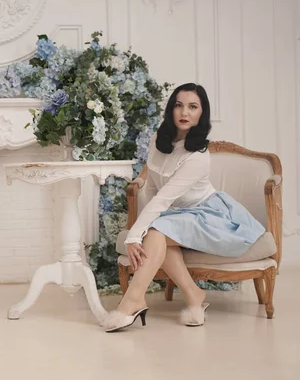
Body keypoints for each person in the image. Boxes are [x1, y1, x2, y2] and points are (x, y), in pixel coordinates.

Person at [105, 83, 266, 333]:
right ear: (171, 109)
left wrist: (136, 234)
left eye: (193, 107)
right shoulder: (158, 140)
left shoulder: (199, 156)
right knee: (158, 232)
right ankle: (193, 295)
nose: (185, 112)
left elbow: (163, 199)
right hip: (177, 215)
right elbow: (151, 188)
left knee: (156, 231)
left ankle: (133, 300)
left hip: (208, 214)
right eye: (179, 105)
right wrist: (142, 227)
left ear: (202, 113)